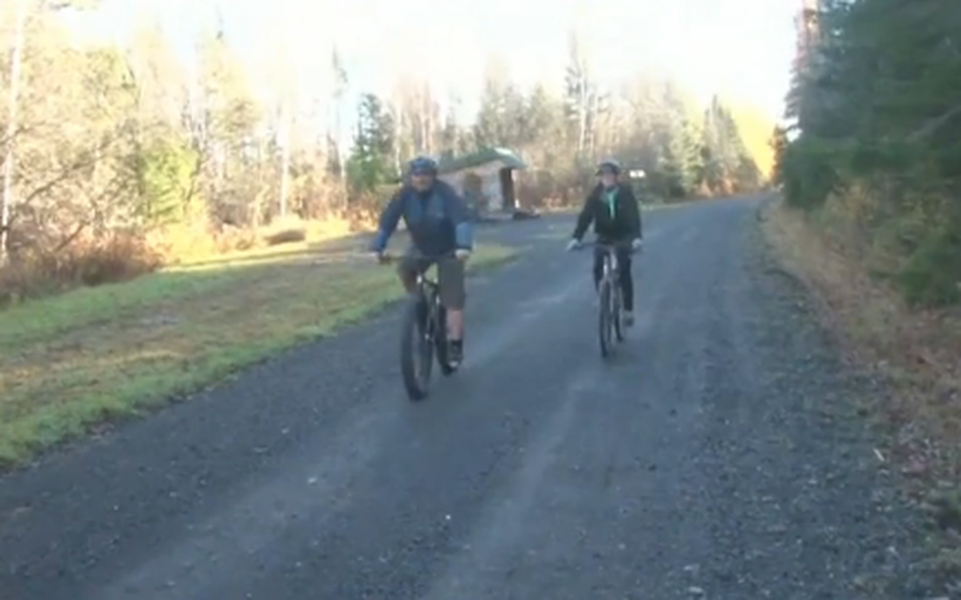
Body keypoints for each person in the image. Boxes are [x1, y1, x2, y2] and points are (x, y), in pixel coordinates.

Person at [370, 156, 473, 365]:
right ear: (411, 177)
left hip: (449, 250)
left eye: (425, 175)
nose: (421, 179)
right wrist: (377, 247)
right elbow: (387, 222)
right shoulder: (404, 195)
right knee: (405, 268)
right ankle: (420, 306)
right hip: (421, 248)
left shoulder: (445, 193)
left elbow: (461, 220)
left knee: (453, 300)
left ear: (433, 176)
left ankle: (455, 346)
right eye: (417, 175)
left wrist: (463, 246)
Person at [566, 158, 643, 325]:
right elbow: (585, 217)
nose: (606, 178)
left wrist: (636, 238)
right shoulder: (595, 195)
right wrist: (576, 238)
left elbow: (634, 217)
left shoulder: (625, 193)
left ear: (616, 176)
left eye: (609, 175)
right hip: (604, 236)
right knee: (597, 267)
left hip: (624, 236)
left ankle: (628, 310)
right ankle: (603, 298)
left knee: (624, 270)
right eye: (603, 175)